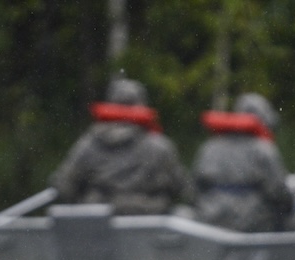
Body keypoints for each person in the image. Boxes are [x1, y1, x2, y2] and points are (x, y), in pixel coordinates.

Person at [50, 78, 191, 215]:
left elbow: (63, 186)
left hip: (99, 230)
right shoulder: (160, 146)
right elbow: (182, 189)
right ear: (142, 106)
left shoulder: (89, 143)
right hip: (149, 228)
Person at [192, 93, 295, 232]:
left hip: (212, 222)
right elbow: (279, 192)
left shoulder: (210, 147)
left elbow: (195, 188)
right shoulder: (263, 149)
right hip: (253, 225)